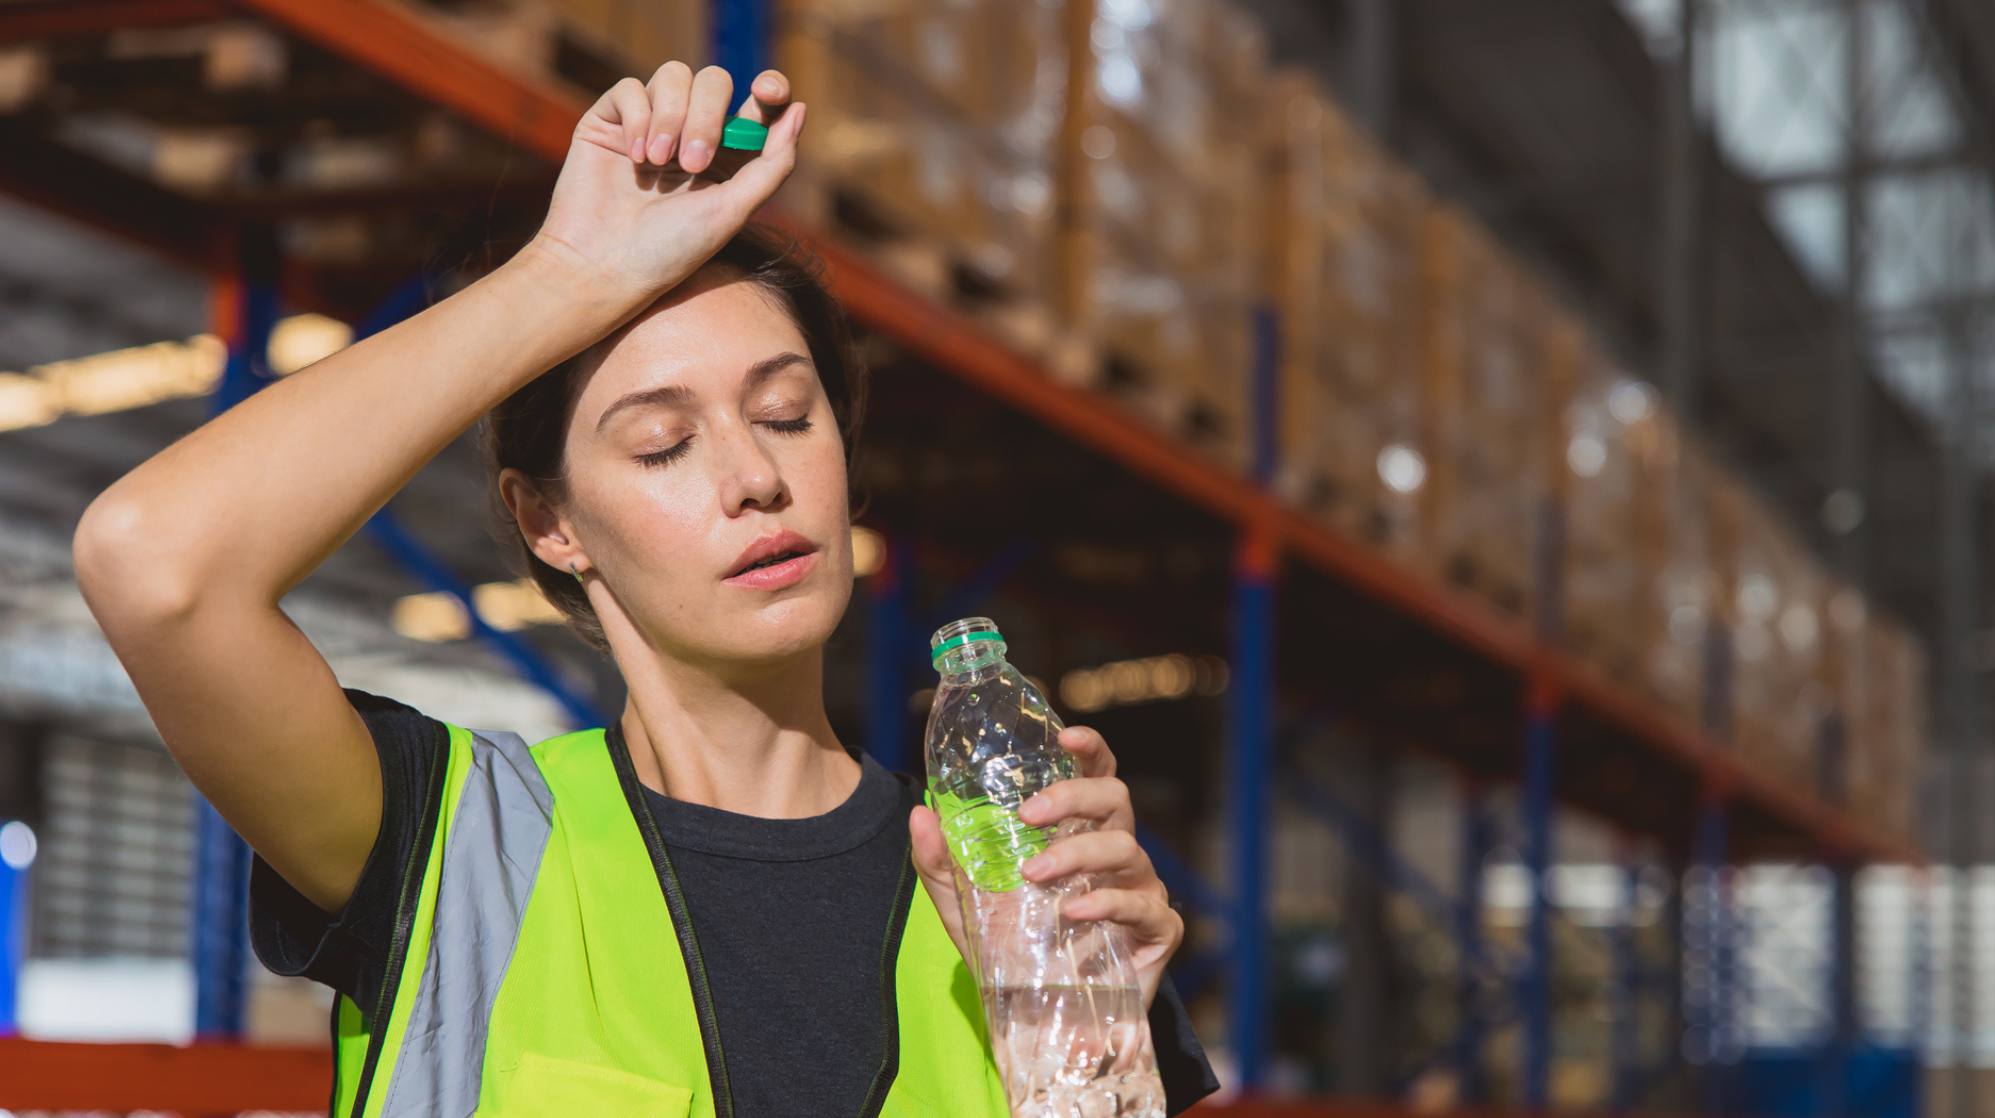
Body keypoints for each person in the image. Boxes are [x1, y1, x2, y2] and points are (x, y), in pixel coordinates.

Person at [74, 62, 1216, 1117]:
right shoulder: (451, 844)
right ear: (551, 522)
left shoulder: (1013, 900)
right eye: (663, 441)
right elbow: (155, 564)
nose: (756, 476)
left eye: (784, 414)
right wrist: (566, 274)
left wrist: (1101, 1045)